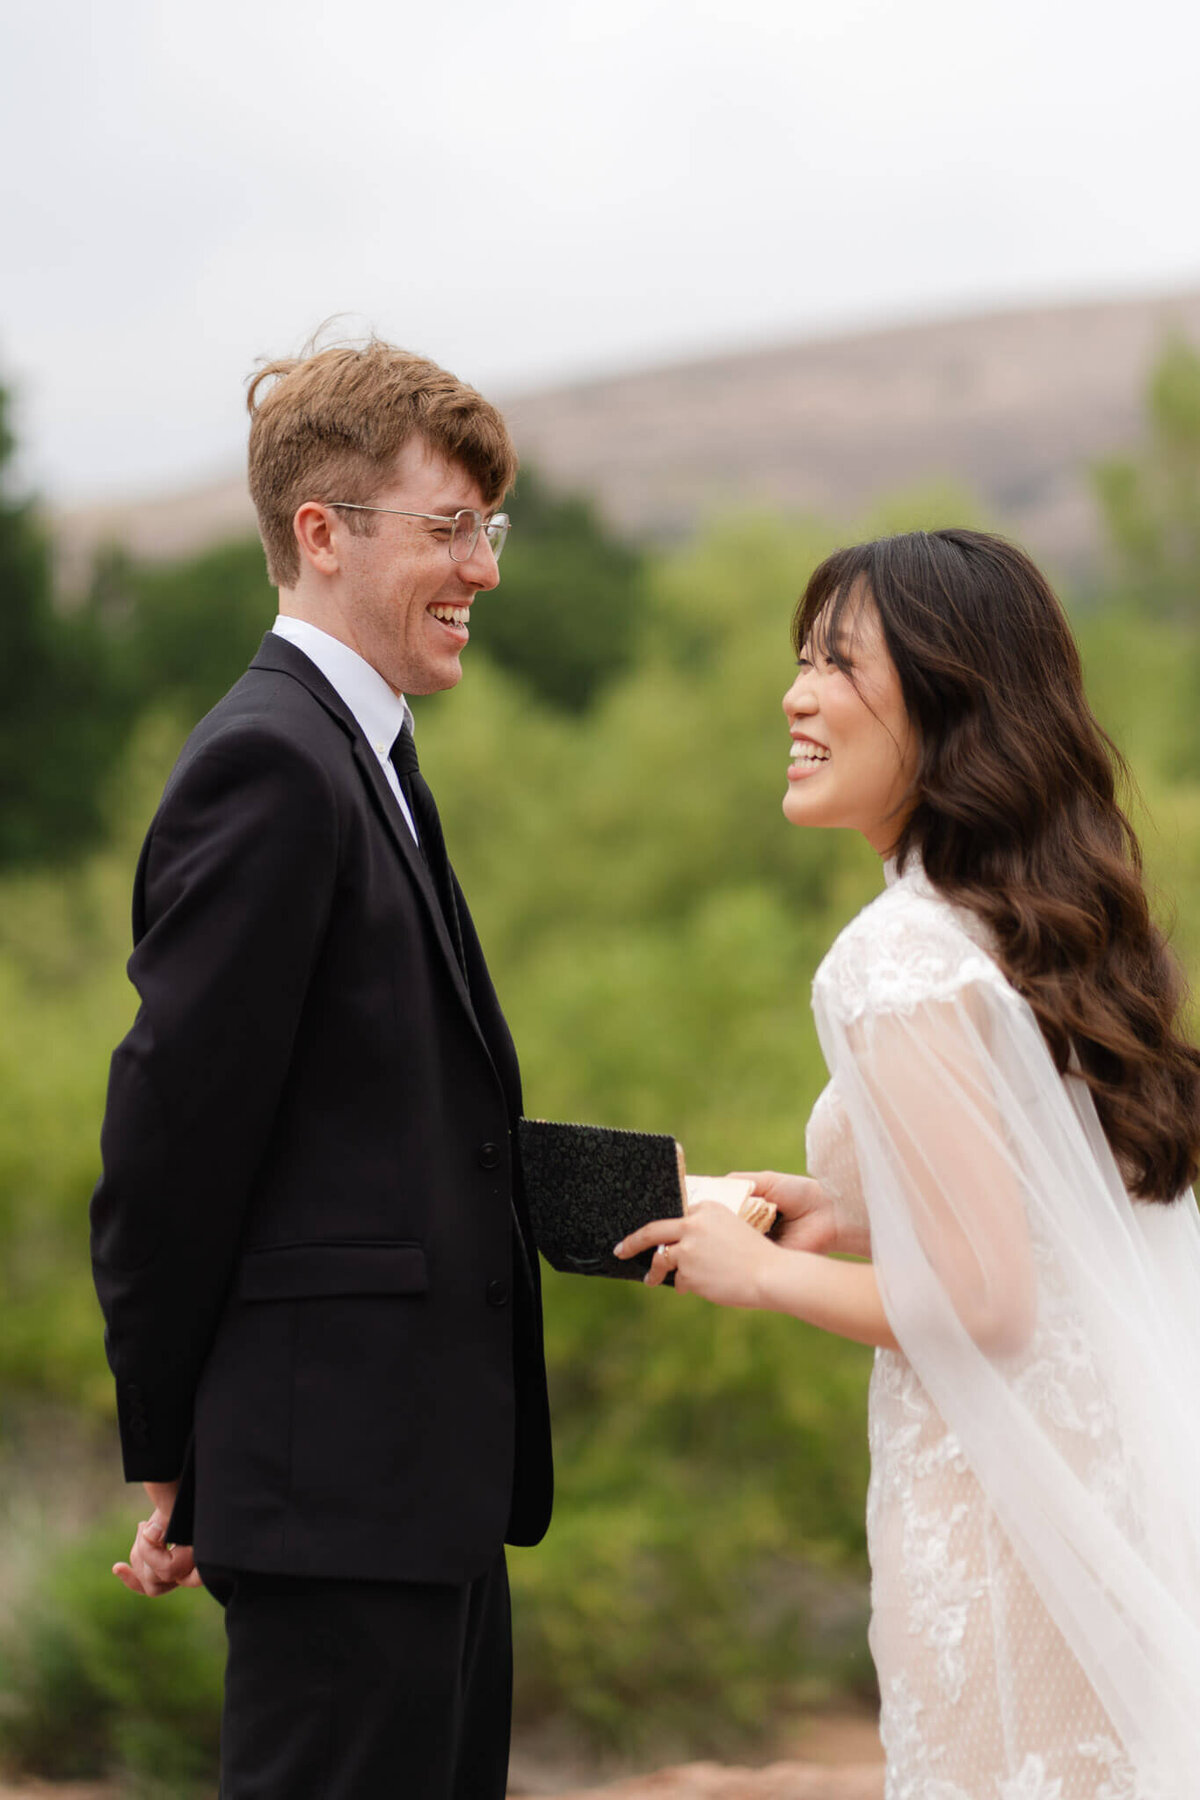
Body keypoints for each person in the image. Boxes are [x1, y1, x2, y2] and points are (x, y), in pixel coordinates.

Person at [617, 528, 1200, 1795]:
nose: (796, 694)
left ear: (951, 699)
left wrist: (753, 1275)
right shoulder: (1027, 925)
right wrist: (849, 1211)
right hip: (1104, 1500)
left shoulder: (894, 960)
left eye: (839, 664)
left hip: (1001, 1518)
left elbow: (987, 1306)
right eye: (802, 661)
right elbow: (1057, 1212)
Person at [90, 339, 553, 1800]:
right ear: (321, 533)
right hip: (335, 1493)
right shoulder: (273, 767)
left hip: (419, 1492)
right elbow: (170, 1138)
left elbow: (387, 1122)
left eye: (489, 527)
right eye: (448, 528)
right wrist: (173, 1448)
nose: (482, 566)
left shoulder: (372, 759)